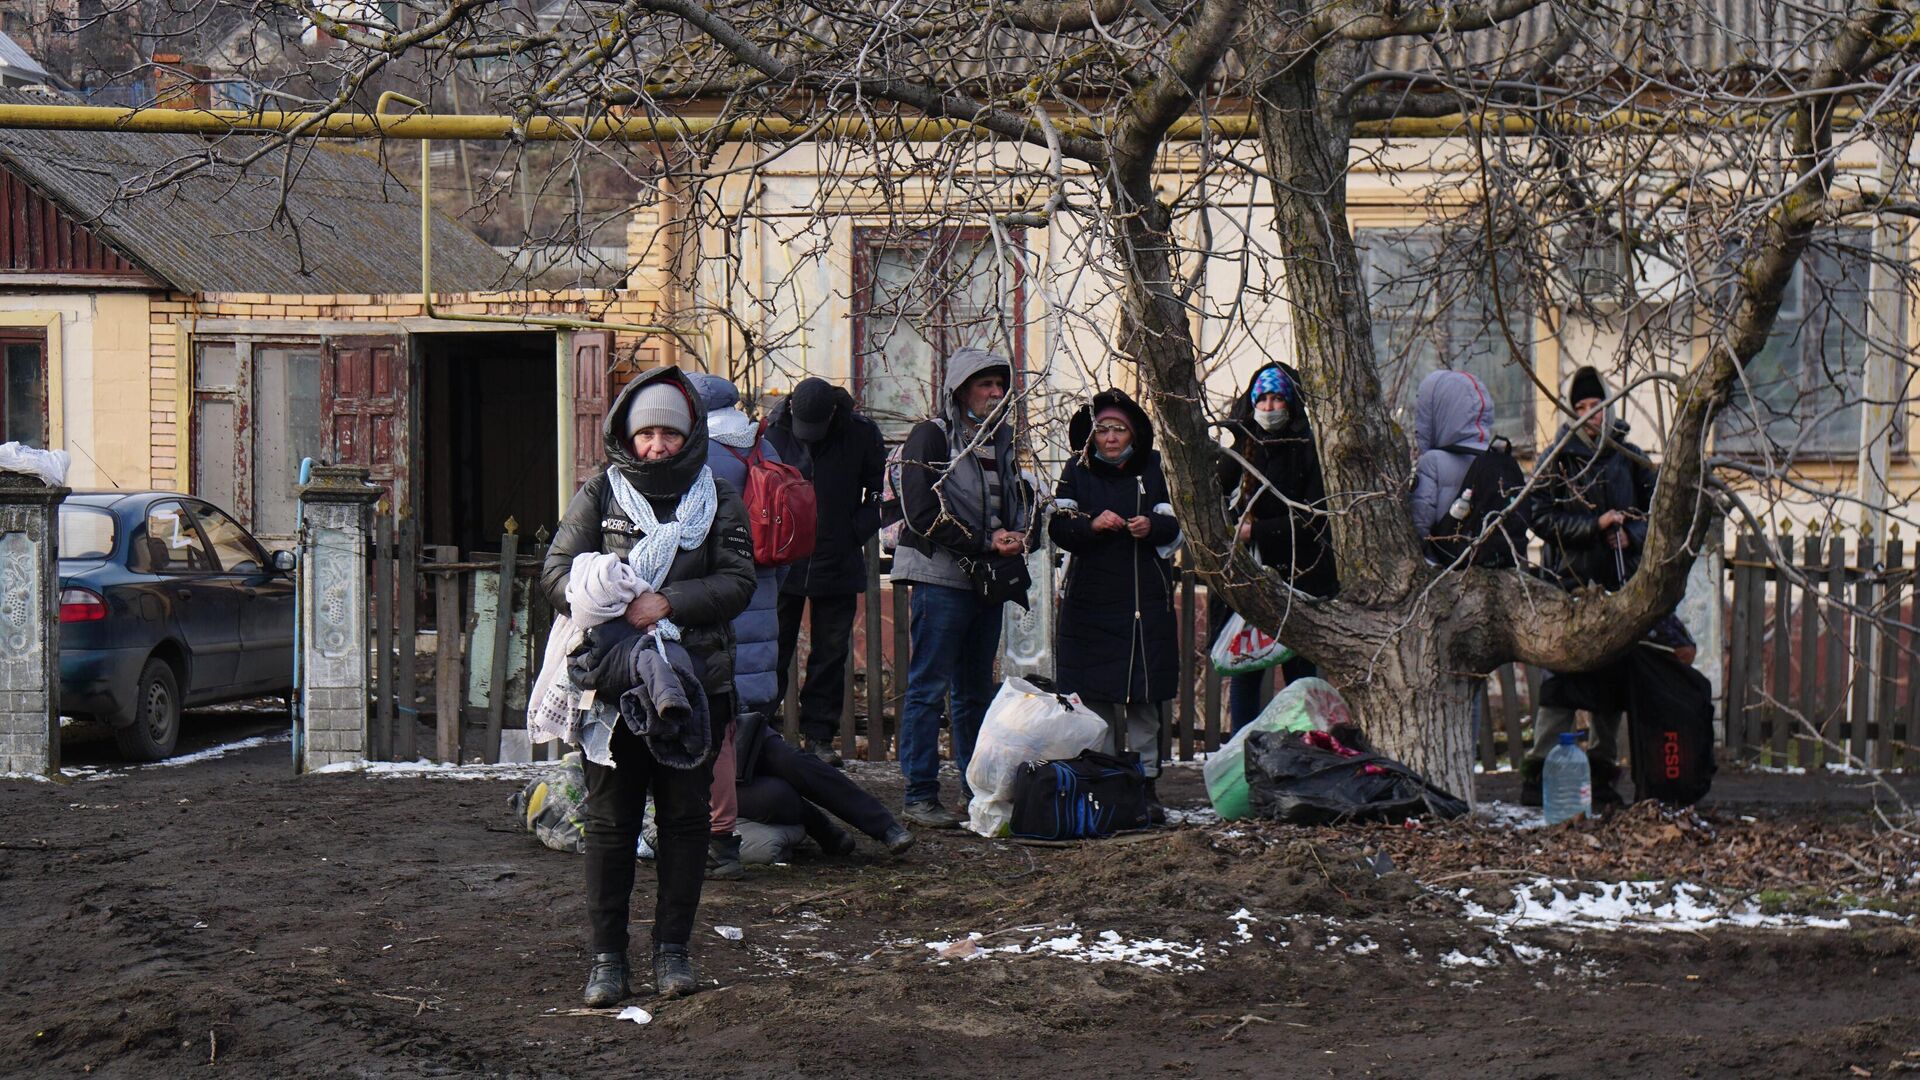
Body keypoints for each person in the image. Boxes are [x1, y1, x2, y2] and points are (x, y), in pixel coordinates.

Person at [540, 367, 757, 1007]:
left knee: (687, 820)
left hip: (696, 684)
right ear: (627, 438)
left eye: (669, 432)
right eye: (646, 434)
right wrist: (604, 591)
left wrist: (668, 602)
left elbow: (739, 581)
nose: (657, 445)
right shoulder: (599, 496)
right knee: (610, 823)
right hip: (612, 685)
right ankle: (608, 962)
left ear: (689, 435)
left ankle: (673, 952)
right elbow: (554, 574)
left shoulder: (718, 495)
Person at [892, 347, 1034, 828]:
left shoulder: (1002, 441)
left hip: (985, 580)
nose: (994, 393)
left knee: (975, 692)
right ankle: (919, 795)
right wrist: (982, 541)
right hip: (940, 578)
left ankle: (975, 793)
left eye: (999, 385)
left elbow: (1012, 504)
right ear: (959, 390)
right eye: (983, 385)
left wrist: (1018, 531)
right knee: (928, 688)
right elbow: (919, 512)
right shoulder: (931, 437)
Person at [1520, 364, 1658, 807]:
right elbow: (1537, 515)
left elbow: (1657, 517)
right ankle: (1537, 778)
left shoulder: (1630, 457)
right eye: (1578, 407)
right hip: (1568, 588)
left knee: (1610, 688)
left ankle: (1602, 779)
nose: (1587, 415)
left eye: (1594, 406)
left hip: (1619, 589)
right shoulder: (1557, 457)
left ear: (1607, 406)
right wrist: (1592, 525)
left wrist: (1629, 534)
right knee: (1559, 683)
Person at [1048, 389, 1179, 820]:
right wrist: (1090, 523)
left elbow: (1175, 525)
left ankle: (1145, 787)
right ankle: (1100, 783)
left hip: (1144, 602)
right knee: (1095, 699)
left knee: (1143, 701)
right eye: (1102, 429)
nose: (1109, 437)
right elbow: (1058, 528)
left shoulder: (1154, 469)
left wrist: (1151, 526)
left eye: (1118, 429)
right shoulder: (1076, 470)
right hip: (1092, 603)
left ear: (1133, 434)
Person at [687, 372, 787, 880]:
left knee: (716, 731)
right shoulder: (760, 448)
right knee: (749, 728)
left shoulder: (704, 461)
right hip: (762, 599)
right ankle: (766, 816)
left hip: (718, 607)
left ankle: (724, 831)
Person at [764, 377, 888, 768]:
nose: (810, 438)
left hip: (837, 557)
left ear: (834, 413)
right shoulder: (772, 430)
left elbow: (879, 493)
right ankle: (761, 731)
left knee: (831, 655)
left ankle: (819, 737)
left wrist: (854, 530)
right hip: (782, 559)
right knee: (773, 649)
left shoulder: (862, 434)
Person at [1215, 362, 1337, 731]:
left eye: (1278, 399)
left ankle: (1307, 747)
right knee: (1245, 672)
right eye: (1263, 399)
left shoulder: (1309, 451)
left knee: (1300, 675)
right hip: (1249, 580)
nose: (1269, 408)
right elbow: (1217, 507)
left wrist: (1260, 532)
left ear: (1292, 403)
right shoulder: (1238, 451)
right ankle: (1242, 751)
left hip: (1301, 580)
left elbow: (1317, 519)